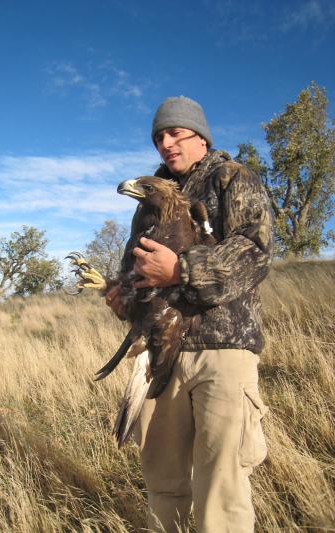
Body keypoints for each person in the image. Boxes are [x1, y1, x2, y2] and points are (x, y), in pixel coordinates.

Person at [106, 96, 273, 533]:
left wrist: (181, 269)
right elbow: (136, 267)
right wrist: (123, 295)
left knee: (222, 485)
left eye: (176, 133)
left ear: (200, 137)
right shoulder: (149, 198)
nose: (166, 143)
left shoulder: (232, 179)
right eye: (159, 136)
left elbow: (255, 252)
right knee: (163, 482)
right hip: (163, 352)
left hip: (223, 350)